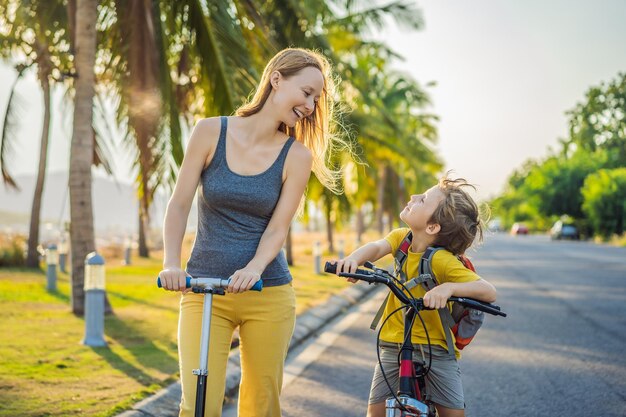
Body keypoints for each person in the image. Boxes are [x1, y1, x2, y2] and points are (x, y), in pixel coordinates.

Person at [158, 48, 342, 417]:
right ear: (277, 79)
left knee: (260, 405)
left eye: (316, 100)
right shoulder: (210, 131)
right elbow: (179, 204)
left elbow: (277, 229)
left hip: (267, 292)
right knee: (198, 404)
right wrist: (170, 263)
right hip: (203, 289)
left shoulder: (297, 156)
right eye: (306, 92)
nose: (310, 105)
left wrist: (254, 268)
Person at [332, 175, 497, 417]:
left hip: (436, 350)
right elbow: (377, 248)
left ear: (432, 227)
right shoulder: (402, 239)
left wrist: (448, 288)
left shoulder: (442, 261)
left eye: (422, 200)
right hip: (392, 343)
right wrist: (353, 260)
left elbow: (488, 291)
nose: (413, 197)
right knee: (374, 413)